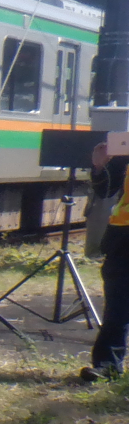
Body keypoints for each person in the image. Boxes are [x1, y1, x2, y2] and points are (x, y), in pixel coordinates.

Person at [82, 134, 129, 381]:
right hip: (122, 239)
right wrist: (100, 165)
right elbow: (106, 191)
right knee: (117, 307)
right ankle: (107, 365)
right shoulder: (125, 152)